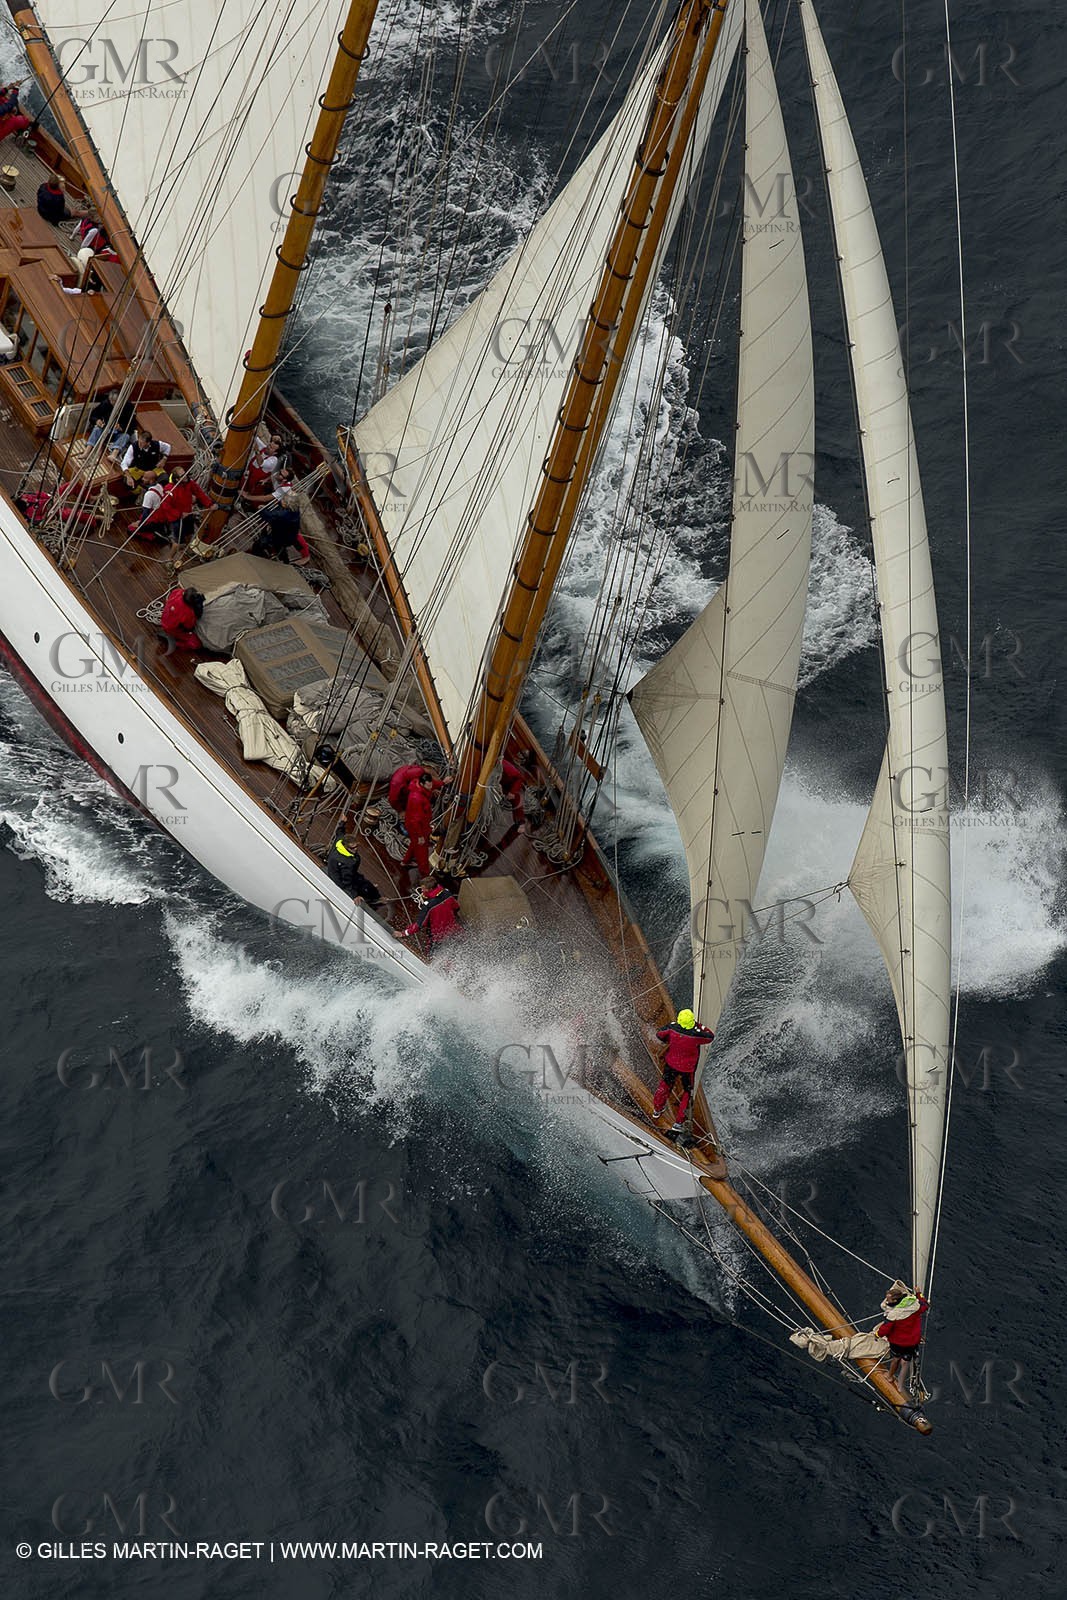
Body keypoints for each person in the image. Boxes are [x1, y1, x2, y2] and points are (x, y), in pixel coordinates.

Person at [652, 1008, 716, 1130]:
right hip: (687, 1069)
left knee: (664, 1086)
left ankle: (657, 1109)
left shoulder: (672, 1029)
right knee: (687, 1093)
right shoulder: (696, 1035)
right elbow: (710, 1036)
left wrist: (669, 1038)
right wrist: (698, 1025)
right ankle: (679, 1122)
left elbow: (660, 1034)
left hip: (671, 1064)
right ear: (692, 1022)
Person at [876, 1281, 930, 1386]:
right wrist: (919, 1294)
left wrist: (877, 1335)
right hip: (913, 1341)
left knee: (896, 1359)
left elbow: (885, 1330)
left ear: (895, 1300)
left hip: (898, 1343)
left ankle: (890, 1377)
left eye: (888, 1299)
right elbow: (925, 1305)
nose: (886, 1301)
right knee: (905, 1360)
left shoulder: (893, 1314)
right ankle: (905, 1371)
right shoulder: (915, 1306)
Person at [325, 827, 385, 911]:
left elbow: (340, 833)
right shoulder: (348, 862)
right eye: (352, 848)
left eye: (357, 846)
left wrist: (343, 823)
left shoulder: (340, 841)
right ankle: (373, 900)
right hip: (339, 879)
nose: (356, 849)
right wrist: (354, 895)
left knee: (364, 882)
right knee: (363, 886)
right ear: (346, 847)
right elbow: (347, 881)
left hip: (341, 871)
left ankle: (375, 895)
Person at [152, 473, 213, 544]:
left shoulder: (190, 484)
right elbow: (166, 506)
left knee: (189, 533)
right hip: (176, 517)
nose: (186, 476)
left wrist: (209, 504)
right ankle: (175, 547)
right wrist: (180, 514)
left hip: (187, 513)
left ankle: (187, 546)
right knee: (176, 541)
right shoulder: (169, 489)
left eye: (185, 474)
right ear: (177, 479)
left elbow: (199, 492)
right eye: (182, 476)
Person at [404, 877, 462, 950]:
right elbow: (456, 907)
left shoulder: (428, 906)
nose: (422, 890)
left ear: (430, 889)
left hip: (438, 937)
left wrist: (404, 933)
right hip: (454, 931)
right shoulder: (447, 894)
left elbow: (419, 925)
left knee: (434, 952)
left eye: (424, 889)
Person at [401, 769, 438, 879]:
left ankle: (405, 862)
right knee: (422, 853)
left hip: (421, 825)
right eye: (428, 785)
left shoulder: (421, 786)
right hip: (417, 828)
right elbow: (415, 821)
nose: (431, 786)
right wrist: (420, 836)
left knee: (414, 843)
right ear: (422, 784)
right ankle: (425, 876)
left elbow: (433, 784)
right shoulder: (417, 799)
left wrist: (443, 782)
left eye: (431, 784)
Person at [501, 748, 538, 834]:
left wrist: (512, 792)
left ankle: (521, 823)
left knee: (517, 799)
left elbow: (520, 777)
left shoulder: (504, 764)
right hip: (499, 783)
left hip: (509, 784)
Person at [159, 586, 204, 652]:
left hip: (165, 619)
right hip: (173, 629)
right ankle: (175, 643)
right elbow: (189, 627)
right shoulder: (187, 612)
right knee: (196, 644)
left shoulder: (177, 592)